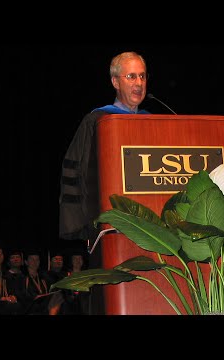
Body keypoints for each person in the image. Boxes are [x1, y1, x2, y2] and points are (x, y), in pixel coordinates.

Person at [59, 51, 150, 242]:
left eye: (142, 76)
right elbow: (81, 173)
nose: (139, 83)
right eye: (131, 76)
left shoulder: (152, 122)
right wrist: (89, 220)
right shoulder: (98, 120)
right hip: (112, 224)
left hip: (151, 223)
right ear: (115, 82)